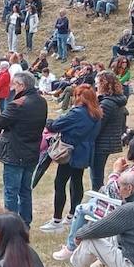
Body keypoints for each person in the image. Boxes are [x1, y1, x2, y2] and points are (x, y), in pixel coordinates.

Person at [42, 85, 101, 231]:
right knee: (76, 182)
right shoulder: (97, 113)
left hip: (71, 151)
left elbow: (55, 126)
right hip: (86, 151)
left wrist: (50, 122)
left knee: (60, 183)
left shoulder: (77, 113)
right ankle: (72, 215)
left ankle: (56, 221)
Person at [0, 71, 47, 224]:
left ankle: (10, 224)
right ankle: (25, 222)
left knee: (11, 191)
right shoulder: (41, 101)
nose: (12, 88)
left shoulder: (18, 104)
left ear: (22, 85)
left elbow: (0, 122)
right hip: (32, 150)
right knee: (25, 190)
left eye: (15, 85)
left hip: (15, 151)